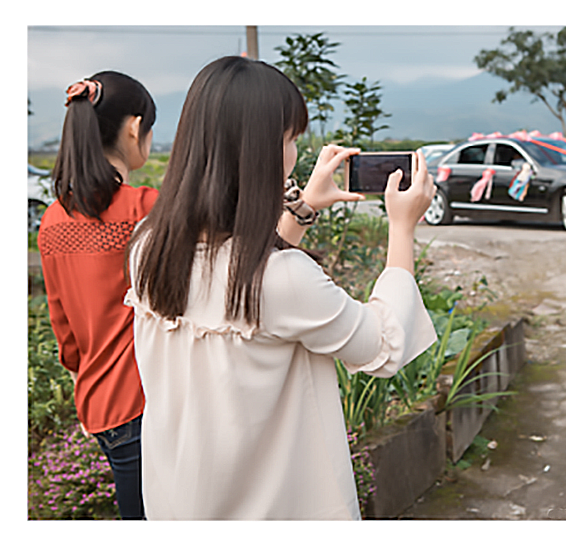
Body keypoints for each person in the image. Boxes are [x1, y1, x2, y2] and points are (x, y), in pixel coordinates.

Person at [125, 56, 438, 520]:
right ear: (260, 152)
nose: (293, 152)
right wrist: (402, 227)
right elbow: (384, 345)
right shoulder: (284, 278)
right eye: (289, 139)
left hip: (179, 503)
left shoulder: (148, 246)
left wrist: (305, 207)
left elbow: (243, 282)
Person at [37, 71, 158, 520]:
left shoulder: (52, 220)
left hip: (99, 402)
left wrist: (81, 374)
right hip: (146, 398)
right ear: (134, 128)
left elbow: (62, 323)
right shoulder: (146, 207)